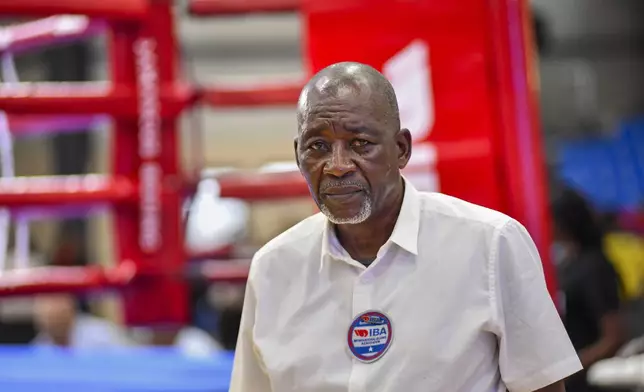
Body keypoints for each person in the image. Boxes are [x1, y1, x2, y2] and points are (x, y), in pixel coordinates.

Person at [230, 62, 582, 391]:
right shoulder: (273, 268)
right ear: (298, 155)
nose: (336, 166)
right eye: (318, 146)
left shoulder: (490, 245)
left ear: (401, 149)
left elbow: (543, 384)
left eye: (360, 144)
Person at [552, 190, 624, 391]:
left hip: (591, 381)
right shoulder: (569, 264)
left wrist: (570, 369)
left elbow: (613, 336)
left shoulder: (594, 267)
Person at [32, 294, 130, 349]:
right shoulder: (40, 346)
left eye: (55, 315)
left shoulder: (101, 335)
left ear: (71, 309)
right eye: (47, 318)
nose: (51, 322)